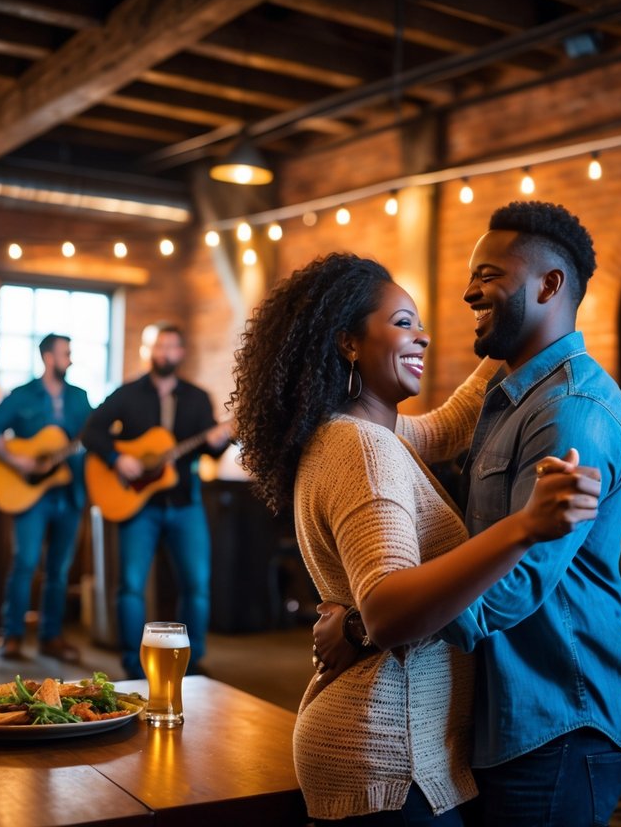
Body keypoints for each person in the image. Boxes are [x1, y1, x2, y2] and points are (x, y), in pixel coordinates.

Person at [230, 252, 602, 825]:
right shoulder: (364, 448)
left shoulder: (357, 431)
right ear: (349, 342)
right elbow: (386, 609)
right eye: (403, 323)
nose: (422, 337)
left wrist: (507, 335)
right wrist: (524, 526)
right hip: (387, 752)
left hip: (384, 743)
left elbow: (449, 425)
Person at [319, 201, 621, 826]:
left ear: (550, 284)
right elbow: (402, 434)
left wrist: (365, 625)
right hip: (498, 719)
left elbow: (511, 586)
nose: (469, 292)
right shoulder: (509, 392)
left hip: (555, 719)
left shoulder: (571, 411)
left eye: (488, 274)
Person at [81, 323, 231, 679]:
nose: (164, 353)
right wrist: (119, 459)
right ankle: (133, 667)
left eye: (171, 347)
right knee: (131, 586)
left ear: (181, 353)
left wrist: (220, 440)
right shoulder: (127, 394)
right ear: (147, 352)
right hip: (139, 506)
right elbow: (91, 432)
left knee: (196, 584)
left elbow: (210, 450)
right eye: (158, 347)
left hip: (184, 503)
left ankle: (191, 665)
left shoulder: (197, 397)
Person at [0, 333, 92, 662]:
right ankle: (11, 636)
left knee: (59, 569)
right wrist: (18, 460)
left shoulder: (81, 398)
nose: (69, 359)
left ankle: (51, 637)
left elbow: (94, 435)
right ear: (48, 357)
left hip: (69, 493)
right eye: (64, 353)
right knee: (25, 563)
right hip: (31, 495)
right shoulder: (22, 395)